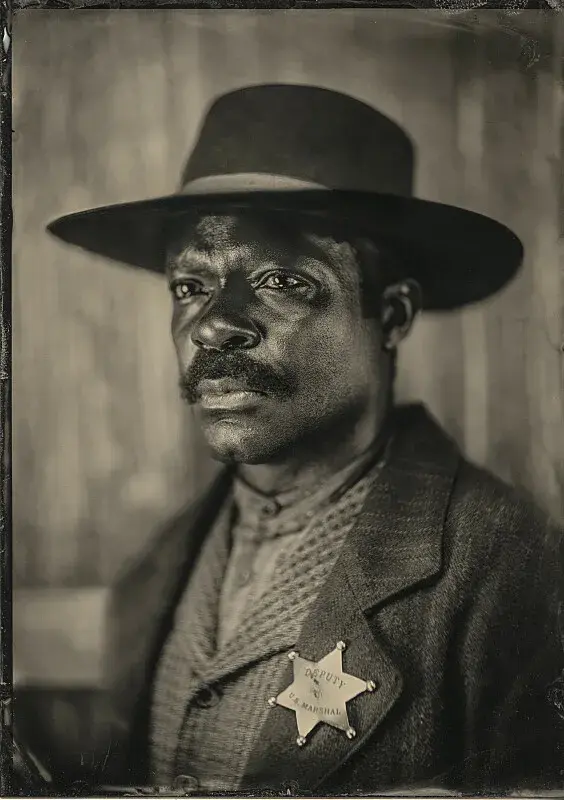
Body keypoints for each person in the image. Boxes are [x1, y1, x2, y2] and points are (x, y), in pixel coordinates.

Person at [47, 84, 564, 795]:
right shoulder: (151, 574)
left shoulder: (511, 571)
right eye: (190, 286)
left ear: (391, 316)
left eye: (281, 279)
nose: (212, 325)